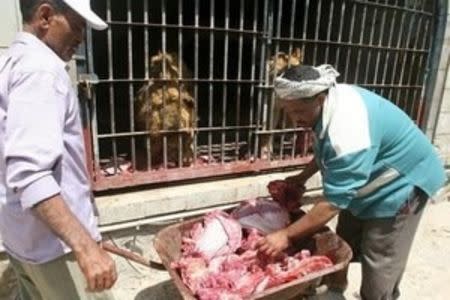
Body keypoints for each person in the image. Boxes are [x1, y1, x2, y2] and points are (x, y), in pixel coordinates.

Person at [256, 64, 446, 300]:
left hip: (403, 182)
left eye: (299, 111)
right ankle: (335, 290)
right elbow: (325, 149)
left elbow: (332, 203)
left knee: (380, 255)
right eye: (288, 111)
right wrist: (302, 177)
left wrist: (286, 235)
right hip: (365, 179)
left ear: (320, 99)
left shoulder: (347, 129)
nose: (294, 118)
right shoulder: (327, 106)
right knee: (344, 238)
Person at [0, 0, 117, 299]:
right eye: (77, 25)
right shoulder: (43, 71)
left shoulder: (10, 62)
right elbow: (30, 174)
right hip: (57, 251)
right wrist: (86, 248)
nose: (81, 38)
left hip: (22, 240)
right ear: (45, 16)